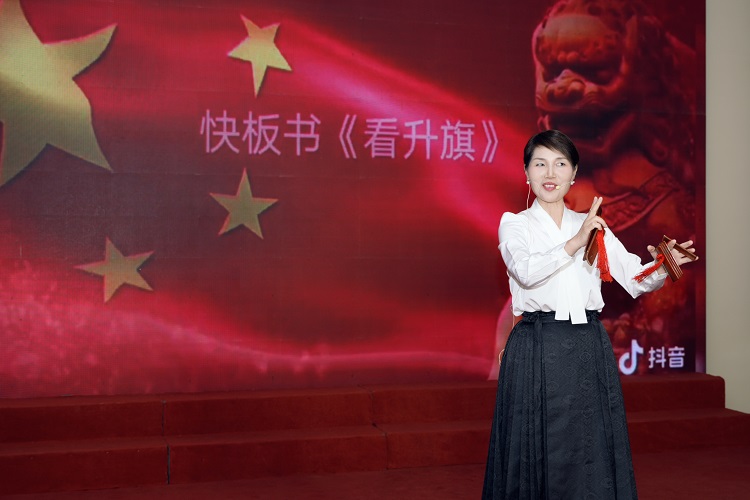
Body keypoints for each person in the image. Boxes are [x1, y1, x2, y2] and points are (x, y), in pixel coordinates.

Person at [482, 130, 697, 499]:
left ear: (574, 173)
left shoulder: (592, 225)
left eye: (560, 164)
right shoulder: (515, 224)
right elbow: (526, 272)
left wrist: (664, 265)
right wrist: (575, 243)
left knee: (588, 449)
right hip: (537, 344)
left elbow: (635, 279)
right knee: (535, 450)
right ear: (527, 173)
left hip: (586, 346)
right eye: (540, 164)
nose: (550, 173)